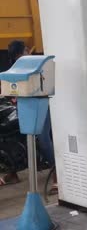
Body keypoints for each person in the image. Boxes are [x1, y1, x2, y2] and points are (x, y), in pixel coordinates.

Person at [0, 41, 57, 193]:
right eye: (24, 50)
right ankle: (13, 173)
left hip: (42, 106)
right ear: (19, 52)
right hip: (25, 107)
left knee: (43, 140)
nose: (27, 52)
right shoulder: (15, 69)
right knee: (17, 137)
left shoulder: (37, 65)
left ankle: (57, 175)